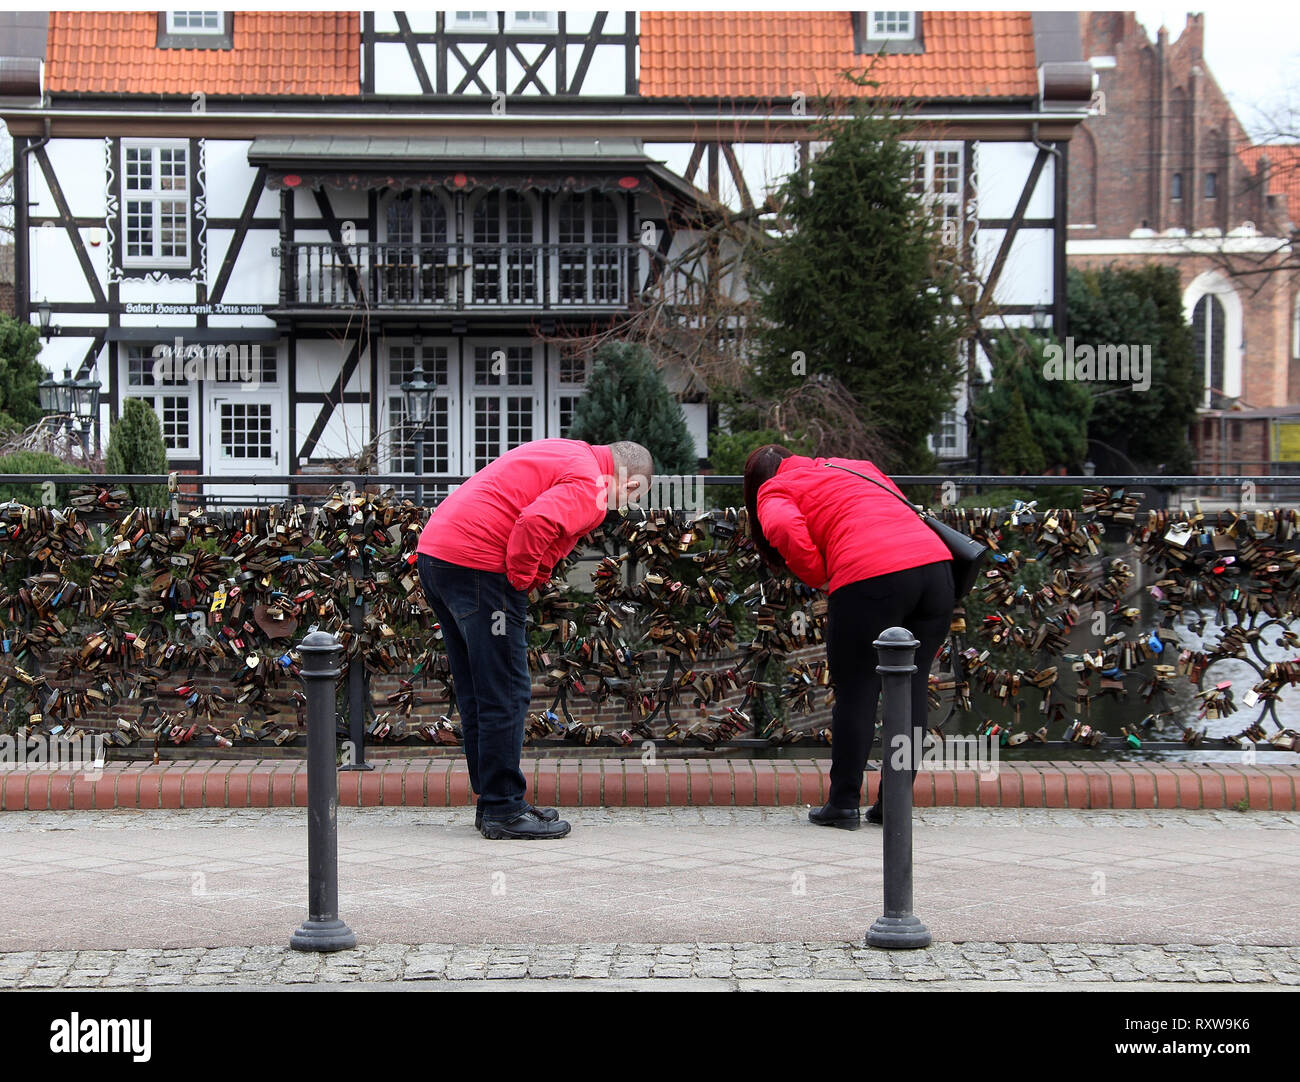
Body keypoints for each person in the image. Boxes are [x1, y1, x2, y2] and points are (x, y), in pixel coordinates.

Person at [416, 438, 653, 840]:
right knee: (505, 690)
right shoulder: (592, 483)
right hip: (480, 567)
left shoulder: (569, 452)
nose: (624, 508)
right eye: (632, 499)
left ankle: (495, 800)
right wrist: (522, 581)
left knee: (478, 689)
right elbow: (536, 523)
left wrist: (532, 576)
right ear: (630, 485)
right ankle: (503, 811)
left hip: (438, 556)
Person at [743, 445, 955, 829]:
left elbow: (784, 529)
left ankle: (842, 804)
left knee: (857, 689)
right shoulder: (856, 466)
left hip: (872, 576)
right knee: (912, 689)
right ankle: (894, 804)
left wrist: (819, 574)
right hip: (936, 570)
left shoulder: (775, 488)